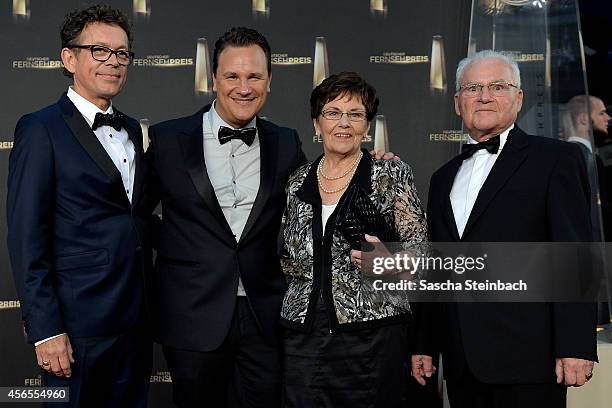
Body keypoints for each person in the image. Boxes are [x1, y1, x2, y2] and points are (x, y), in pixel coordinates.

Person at [412, 50, 598, 408]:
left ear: (519, 97)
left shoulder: (556, 159)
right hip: (462, 361)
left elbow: (575, 257)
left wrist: (575, 345)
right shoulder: (442, 179)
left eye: (497, 86)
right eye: (472, 88)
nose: (484, 96)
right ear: (457, 101)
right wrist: (424, 343)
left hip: (531, 359)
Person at [7, 5, 152, 407]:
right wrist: (46, 329)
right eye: (100, 51)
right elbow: (25, 237)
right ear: (69, 58)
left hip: (136, 324)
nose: (114, 62)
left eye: (122, 53)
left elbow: (133, 219)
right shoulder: (40, 129)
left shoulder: (132, 130)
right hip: (75, 328)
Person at [279, 71, 428, 407]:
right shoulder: (296, 182)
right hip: (304, 338)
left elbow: (421, 255)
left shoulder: (390, 174)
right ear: (317, 124)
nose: (343, 123)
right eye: (332, 113)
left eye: (355, 114)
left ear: (367, 125)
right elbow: (287, 260)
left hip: (371, 339)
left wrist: (392, 262)